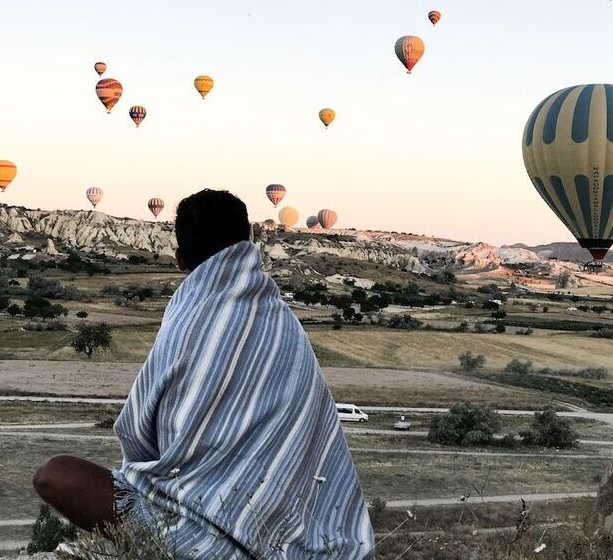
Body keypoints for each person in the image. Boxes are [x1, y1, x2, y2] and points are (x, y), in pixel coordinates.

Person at [33, 189, 374, 559]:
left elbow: (135, 433)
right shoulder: (282, 321)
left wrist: (177, 481)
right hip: (300, 537)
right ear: (248, 242)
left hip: (192, 537)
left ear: (180, 259)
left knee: (56, 475)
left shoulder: (187, 323)